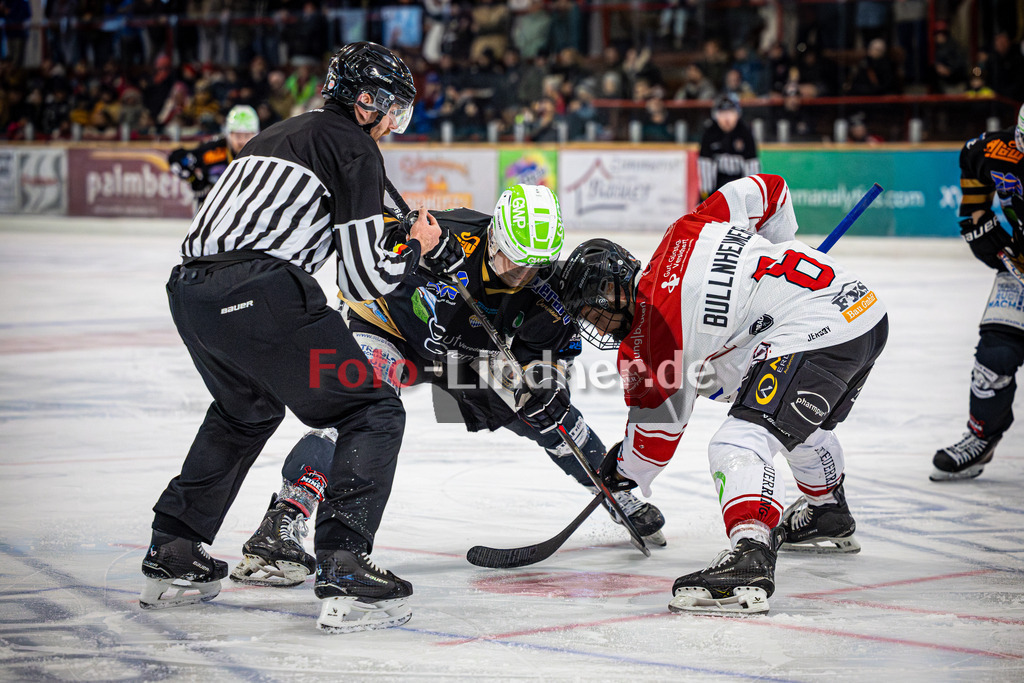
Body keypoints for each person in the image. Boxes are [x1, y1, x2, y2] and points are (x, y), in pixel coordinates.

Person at [140, 42, 447, 637]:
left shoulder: (275, 134)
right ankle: (345, 565)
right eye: (394, 112)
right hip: (263, 288)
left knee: (244, 409)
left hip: (190, 293)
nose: (393, 126)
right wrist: (414, 249)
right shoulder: (354, 145)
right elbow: (362, 281)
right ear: (366, 102)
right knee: (372, 407)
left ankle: (174, 550)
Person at [229, 184, 668, 589]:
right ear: (494, 238)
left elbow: (551, 356)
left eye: (533, 266)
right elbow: (363, 258)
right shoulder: (449, 232)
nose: (520, 275)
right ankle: (284, 518)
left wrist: (544, 383)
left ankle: (614, 495)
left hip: (466, 353)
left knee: (547, 414)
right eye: (514, 262)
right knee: (356, 413)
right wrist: (412, 249)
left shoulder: (546, 289)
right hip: (389, 328)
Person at [557, 174, 889, 615]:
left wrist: (618, 470)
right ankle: (826, 510)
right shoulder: (687, 228)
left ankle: (751, 557)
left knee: (739, 440)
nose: (595, 325)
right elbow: (770, 189)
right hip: (863, 311)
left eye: (593, 311)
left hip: (815, 328)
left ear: (614, 290)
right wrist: (783, 250)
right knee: (796, 427)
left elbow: (652, 449)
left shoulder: (650, 339)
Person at [931, 104, 1024, 481]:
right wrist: (976, 218)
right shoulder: (993, 150)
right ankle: (981, 437)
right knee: (993, 357)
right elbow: (973, 160)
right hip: (1020, 266)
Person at [168, 104, 261, 211]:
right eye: (237, 135)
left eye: (247, 136)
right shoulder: (212, 150)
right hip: (211, 215)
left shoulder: (266, 153)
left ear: (257, 135)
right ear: (228, 134)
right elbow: (177, 159)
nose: (241, 141)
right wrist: (194, 180)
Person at [698, 94, 760, 200]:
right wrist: (706, 199)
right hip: (716, 191)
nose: (727, 119)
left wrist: (751, 198)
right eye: (722, 114)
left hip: (741, 190)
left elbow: (752, 168)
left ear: (738, 114)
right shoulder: (709, 134)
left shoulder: (746, 133)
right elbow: (705, 169)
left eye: (731, 113)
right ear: (715, 115)